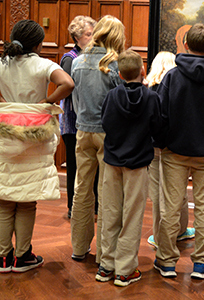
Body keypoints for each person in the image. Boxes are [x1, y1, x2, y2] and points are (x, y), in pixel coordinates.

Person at [0, 19, 74, 273]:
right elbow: (68, 83)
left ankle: (2, 258)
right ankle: (22, 257)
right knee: (26, 201)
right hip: (36, 134)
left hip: (6, 132)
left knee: (5, 199)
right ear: (39, 43)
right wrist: (48, 101)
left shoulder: (0, 64)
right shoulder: (44, 64)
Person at [153, 23, 204, 280]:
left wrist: (164, 142)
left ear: (186, 44)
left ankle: (166, 262)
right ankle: (201, 262)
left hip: (174, 152)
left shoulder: (172, 77)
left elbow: (161, 114)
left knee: (170, 208)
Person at [95, 49, 161, 286]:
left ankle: (106, 266)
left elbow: (105, 123)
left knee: (111, 212)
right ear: (142, 71)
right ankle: (125, 270)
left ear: (120, 75)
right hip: (138, 163)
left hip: (112, 161)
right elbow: (157, 127)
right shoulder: (152, 97)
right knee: (132, 216)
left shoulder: (112, 96)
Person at [70, 15, 124, 264]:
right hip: (107, 133)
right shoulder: (114, 64)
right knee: (107, 191)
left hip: (83, 130)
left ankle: (79, 247)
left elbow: (76, 100)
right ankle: (105, 252)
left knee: (82, 189)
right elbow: (120, 105)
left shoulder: (78, 62)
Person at [145, 51, 195, 249]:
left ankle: (160, 236)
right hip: (176, 145)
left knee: (158, 193)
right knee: (179, 191)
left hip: (154, 147)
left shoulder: (149, 89)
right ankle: (181, 230)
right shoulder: (179, 86)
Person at [59, 16, 97, 219]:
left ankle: (96, 206)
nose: (91, 38)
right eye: (88, 34)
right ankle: (73, 207)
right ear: (77, 37)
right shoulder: (69, 58)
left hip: (90, 121)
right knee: (74, 166)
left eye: (93, 34)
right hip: (73, 122)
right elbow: (67, 90)